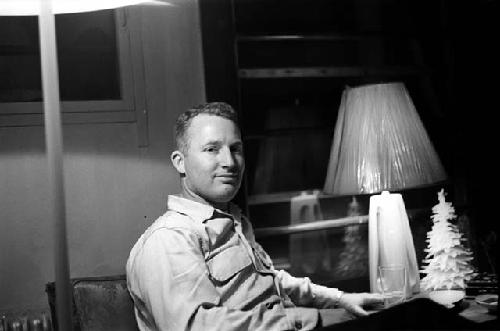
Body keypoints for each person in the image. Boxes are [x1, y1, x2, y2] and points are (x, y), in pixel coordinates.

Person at [126, 102, 384, 331]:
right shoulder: (170, 239)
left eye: (235, 149)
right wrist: (311, 319)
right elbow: (199, 326)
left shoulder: (231, 220)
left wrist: (340, 300)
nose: (229, 161)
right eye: (211, 149)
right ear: (179, 162)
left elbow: (270, 281)